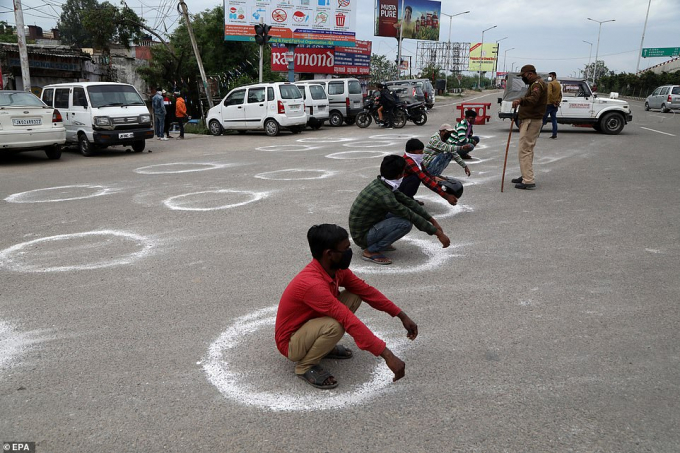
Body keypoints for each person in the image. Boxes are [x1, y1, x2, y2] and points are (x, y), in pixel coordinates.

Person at [275, 224, 419, 389]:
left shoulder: (336, 270)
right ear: (329, 254)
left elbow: (367, 291)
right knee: (335, 325)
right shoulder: (312, 284)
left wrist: (401, 315)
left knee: (355, 294)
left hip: (308, 327)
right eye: (346, 249)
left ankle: (322, 348)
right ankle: (305, 366)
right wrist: (388, 355)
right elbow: (347, 319)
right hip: (291, 343)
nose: (349, 253)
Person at [349, 155, 451, 265]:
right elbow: (409, 215)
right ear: (399, 175)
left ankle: (379, 241)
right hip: (362, 236)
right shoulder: (385, 195)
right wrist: (437, 233)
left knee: (402, 214)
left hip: (367, 226)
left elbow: (408, 201)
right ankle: (370, 250)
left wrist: (431, 220)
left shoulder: (383, 183)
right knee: (405, 223)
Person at [511, 64, 548, 190]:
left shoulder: (537, 84)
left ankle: (528, 180)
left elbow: (533, 100)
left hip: (531, 121)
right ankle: (525, 175)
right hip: (531, 120)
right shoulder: (536, 84)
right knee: (528, 149)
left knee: (525, 150)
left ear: (530, 74)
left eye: (524, 76)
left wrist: (520, 101)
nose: (523, 78)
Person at [398, 138, 459, 206]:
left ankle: (409, 198)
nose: (422, 154)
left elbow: (425, 173)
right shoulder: (408, 162)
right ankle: (405, 200)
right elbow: (424, 179)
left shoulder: (415, 159)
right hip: (396, 189)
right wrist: (445, 195)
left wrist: (434, 178)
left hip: (402, 185)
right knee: (415, 178)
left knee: (416, 177)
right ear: (411, 152)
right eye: (420, 152)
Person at [542, 72, 562, 139]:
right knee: (554, 119)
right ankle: (554, 134)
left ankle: (537, 133)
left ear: (553, 76)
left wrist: (553, 102)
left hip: (549, 104)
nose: (549, 77)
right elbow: (560, 95)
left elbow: (549, 94)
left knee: (543, 119)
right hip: (555, 104)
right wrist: (557, 102)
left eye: (550, 76)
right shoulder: (558, 84)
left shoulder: (550, 84)